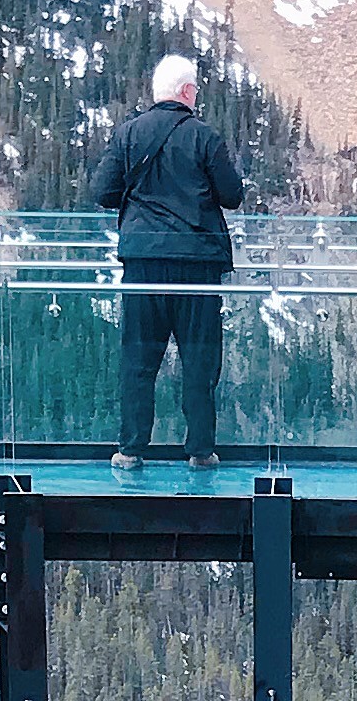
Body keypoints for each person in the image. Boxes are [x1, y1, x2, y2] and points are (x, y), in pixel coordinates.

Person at [89, 54, 247, 475]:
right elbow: (232, 195)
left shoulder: (128, 135)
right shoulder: (205, 137)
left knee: (139, 360)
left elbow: (103, 191)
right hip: (197, 265)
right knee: (199, 359)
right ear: (187, 92)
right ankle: (199, 450)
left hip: (143, 263)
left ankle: (131, 449)